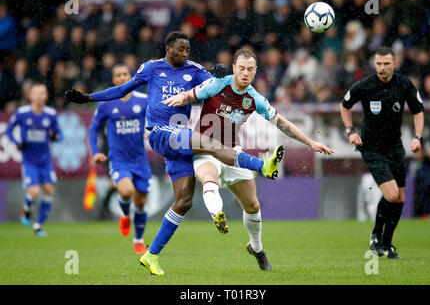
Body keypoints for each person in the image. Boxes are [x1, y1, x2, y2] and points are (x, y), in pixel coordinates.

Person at [64, 31, 284, 275]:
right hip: (161, 132)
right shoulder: (151, 69)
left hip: (179, 139)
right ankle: (262, 166)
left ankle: (151, 255)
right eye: (181, 49)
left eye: (188, 49)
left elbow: (217, 84)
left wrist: (222, 72)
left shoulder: (194, 69)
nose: (185, 53)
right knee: (212, 144)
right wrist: (87, 98)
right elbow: (122, 90)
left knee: (184, 201)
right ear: (168, 49)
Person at [163, 48, 334, 270]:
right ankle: (218, 214)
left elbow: (282, 123)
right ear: (234, 68)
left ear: (255, 72)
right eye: (241, 68)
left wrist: (310, 143)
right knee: (209, 179)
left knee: (252, 205)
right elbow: (191, 94)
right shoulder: (218, 84)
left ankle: (256, 247)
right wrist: (181, 97)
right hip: (204, 149)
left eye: (250, 69)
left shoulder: (254, 98)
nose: (245, 73)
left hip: (233, 152)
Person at [340, 46, 424, 259]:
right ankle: (376, 234)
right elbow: (344, 105)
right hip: (372, 148)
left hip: (395, 147)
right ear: (374, 64)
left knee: (400, 198)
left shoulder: (404, 84)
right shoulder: (366, 86)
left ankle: (387, 244)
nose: (382, 68)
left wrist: (418, 137)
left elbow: (418, 111)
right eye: (378, 64)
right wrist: (350, 131)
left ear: (394, 64)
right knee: (392, 194)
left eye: (386, 64)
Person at [88, 64, 151, 254]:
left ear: (131, 77)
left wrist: (151, 131)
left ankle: (138, 239)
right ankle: (124, 214)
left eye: (126, 74)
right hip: (118, 159)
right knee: (126, 191)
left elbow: (155, 120)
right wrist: (94, 151)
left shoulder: (144, 100)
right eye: (119, 75)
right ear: (114, 80)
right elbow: (93, 129)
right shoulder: (106, 103)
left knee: (140, 203)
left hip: (140, 159)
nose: (123, 78)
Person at [5, 82, 63, 236]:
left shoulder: (50, 114)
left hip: (45, 160)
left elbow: (59, 133)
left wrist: (55, 136)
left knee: (49, 190)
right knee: (34, 191)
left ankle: (38, 225)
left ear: (46, 96)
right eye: (36, 93)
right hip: (29, 161)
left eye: (42, 93)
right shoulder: (22, 113)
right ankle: (27, 208)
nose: (39, 96)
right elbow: (8, 131)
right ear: (30, 96)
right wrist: (17, 143)